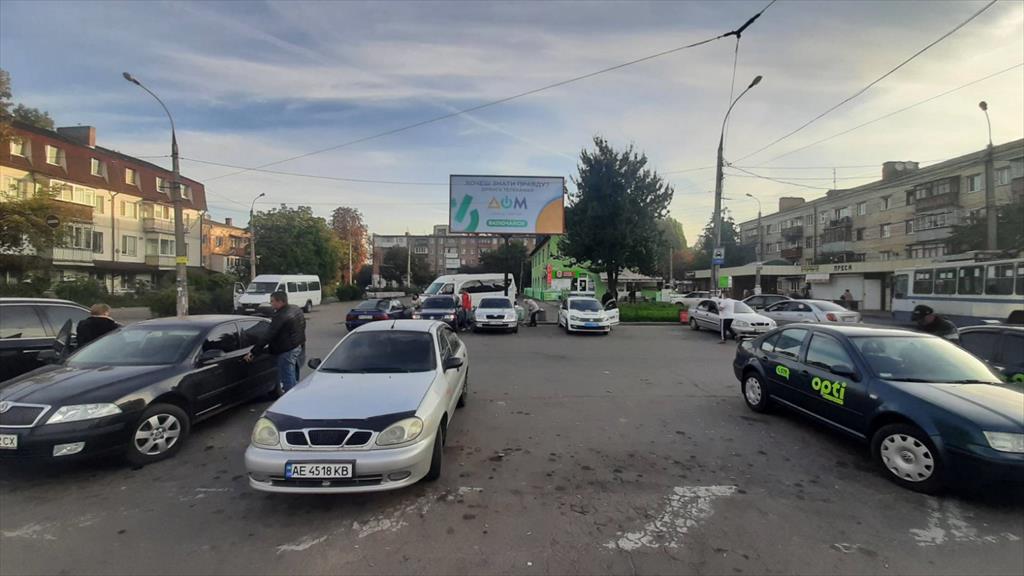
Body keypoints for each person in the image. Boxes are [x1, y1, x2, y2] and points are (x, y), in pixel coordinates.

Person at [246, 291, 307, 392]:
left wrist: (253, 352)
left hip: (286, 350)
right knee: (292, 373)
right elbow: (302, 325)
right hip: (296, 346)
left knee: (287, 376)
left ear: (280, 302)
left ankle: (290, 397)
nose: (271, 304)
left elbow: (268, 335)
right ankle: (295, 393)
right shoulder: (296, 309)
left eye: (272, 301)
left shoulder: (280, 316)